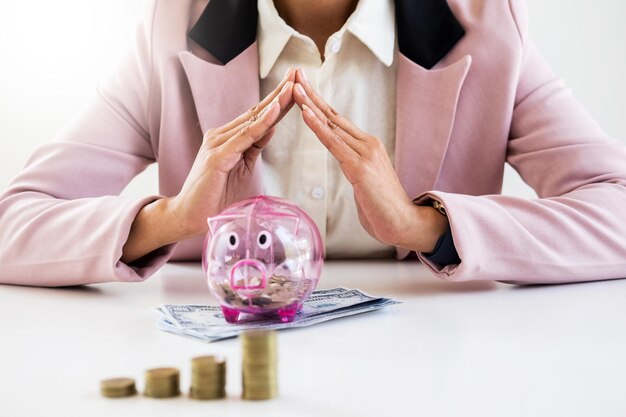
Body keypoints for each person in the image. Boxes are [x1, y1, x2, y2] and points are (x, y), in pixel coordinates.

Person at [1, 0, 625, 286]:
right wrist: (171, 218)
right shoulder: (174, 26)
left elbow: (617, 209)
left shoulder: (488, 27)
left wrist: (423, 225)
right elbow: (13, 225)